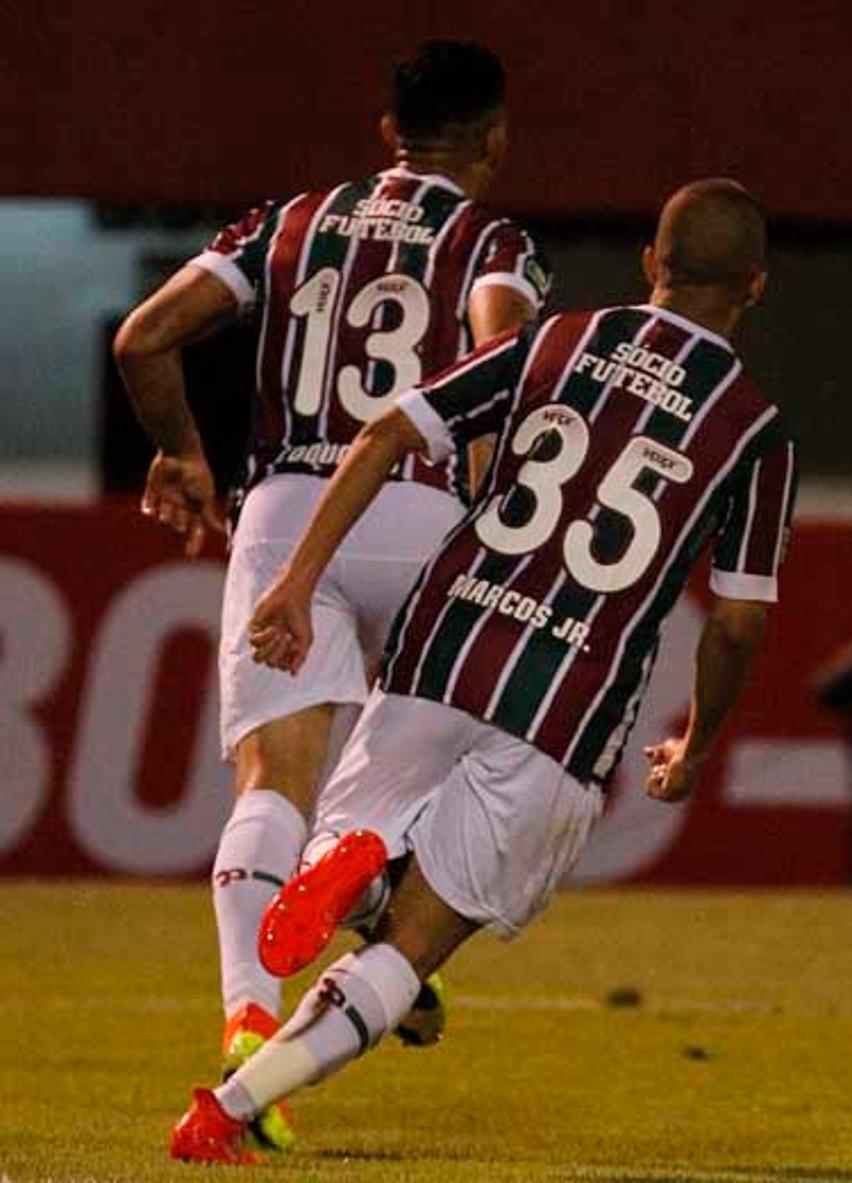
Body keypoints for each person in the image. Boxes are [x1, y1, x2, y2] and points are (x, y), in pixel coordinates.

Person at [167, 178, 797, 1164]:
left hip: (442, 647)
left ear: (651, 265)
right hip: (565, 704)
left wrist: (295, 582)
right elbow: (741, 621)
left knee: (332, 835)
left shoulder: (557, 340)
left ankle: (360, 877)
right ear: (754, 288)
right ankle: (231, 1106)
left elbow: (383, 433)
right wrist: (699, 737)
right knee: (415, 951)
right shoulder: (753, 430)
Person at [114, 40, 549, 1151]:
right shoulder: (487, 241)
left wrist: (183, 453)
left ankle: (250, 1018)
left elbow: (146, 336)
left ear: (385, 130)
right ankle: (373, 907)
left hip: (285, 510)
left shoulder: (288, 221)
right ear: (494, 137)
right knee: (440, 760)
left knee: (275, 775)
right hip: (416, 506)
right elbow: (504, 357)